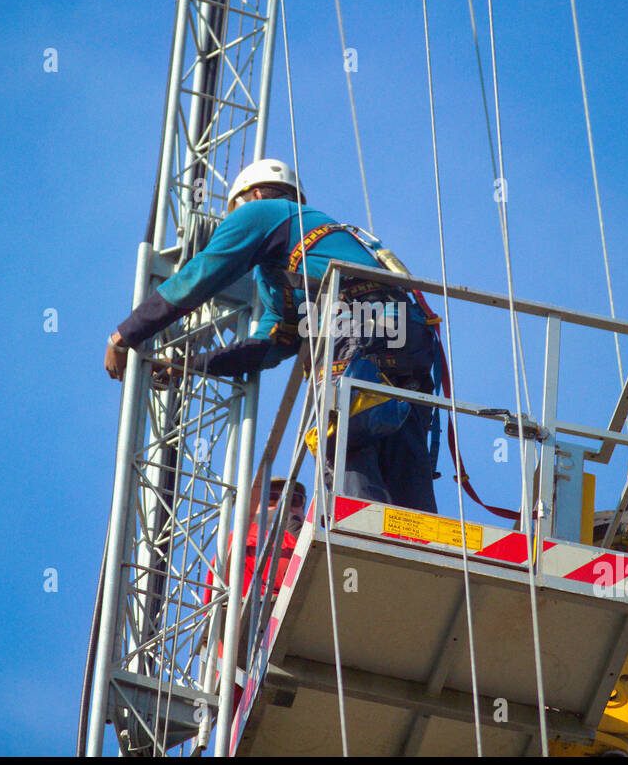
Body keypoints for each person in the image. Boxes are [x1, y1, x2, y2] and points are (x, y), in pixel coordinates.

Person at [105, 158, 439, 513]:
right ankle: (420, 543)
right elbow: (268, 347)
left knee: (344, 435)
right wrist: (189, 365)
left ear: (255, 194)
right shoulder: (293, 265)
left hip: (357, 323)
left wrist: (124, 336)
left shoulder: (262, 212)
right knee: (398, 448)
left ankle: (361, 531)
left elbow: (200, 277)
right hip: (407, 336)